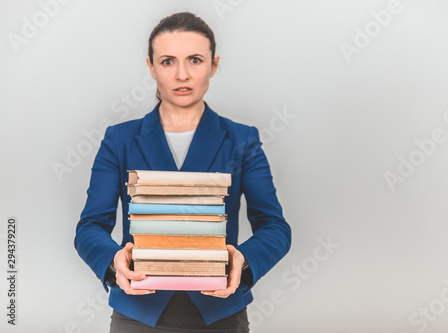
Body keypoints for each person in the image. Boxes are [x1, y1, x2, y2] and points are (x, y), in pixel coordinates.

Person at [74, 11, 291, 332]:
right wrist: (111, 262)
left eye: (194, 60)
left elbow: (275, 226)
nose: (182, 75)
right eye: (167, 62)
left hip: (220, 310)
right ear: (150, 67)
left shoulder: (242, 140)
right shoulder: (119, 139)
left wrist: (242, 262)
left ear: (213, 65)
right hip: (137, 309)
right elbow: (90, 226)